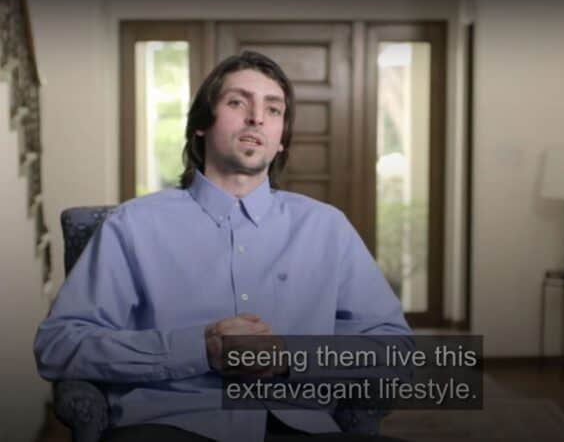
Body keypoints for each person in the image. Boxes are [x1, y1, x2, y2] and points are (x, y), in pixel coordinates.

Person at [34, 51, 412, 442]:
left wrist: (288, 355)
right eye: (237, 102)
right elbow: (58, 345)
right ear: (201, 124)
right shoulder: (131, 225)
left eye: (273, 109)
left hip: (301, 427)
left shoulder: (327, 227)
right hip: (170, 426)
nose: (257, 118)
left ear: (281, 140)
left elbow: (397, 349)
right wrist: (199, 349)